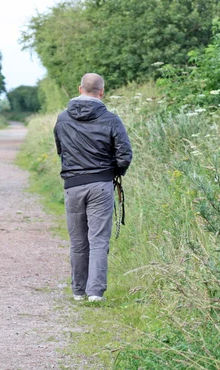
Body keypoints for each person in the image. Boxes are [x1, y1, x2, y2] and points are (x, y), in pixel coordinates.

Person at [54, 73, 132, 302]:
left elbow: (61, 150)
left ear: (79, 89)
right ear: (102, 92)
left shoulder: (62, 119)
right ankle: (95, 293)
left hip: (72, 185)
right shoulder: (111, 119)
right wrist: (113, 173)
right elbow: (125, 155)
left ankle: (78, 292)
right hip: (100, 185)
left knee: (78, 241)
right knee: (98, 240)